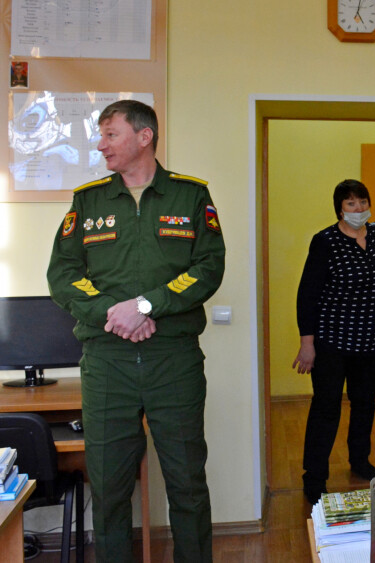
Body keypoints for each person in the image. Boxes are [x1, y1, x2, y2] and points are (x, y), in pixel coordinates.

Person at [47, 100, 224, 563]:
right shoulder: (88, 201)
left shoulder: (191, 196)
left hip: (174, 360)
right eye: (101, 135)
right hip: (108, 363)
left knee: (187, 483)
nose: (100, 144)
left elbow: (208, 267)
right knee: (109, 488)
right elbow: (62, 275)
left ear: (144, 137)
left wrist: (147, 306)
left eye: (110, 134)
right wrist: (114, 313)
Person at [293, 179, 375, 504]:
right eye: (351, 203)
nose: (359, 208)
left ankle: (359, 459)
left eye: (363, 202)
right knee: (326, 408)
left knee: (365, 405)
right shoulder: (325, 241)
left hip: (370, 341)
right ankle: (314, 476)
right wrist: (307, 344)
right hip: (331, 342)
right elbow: (307, 295)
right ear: (340, 209)